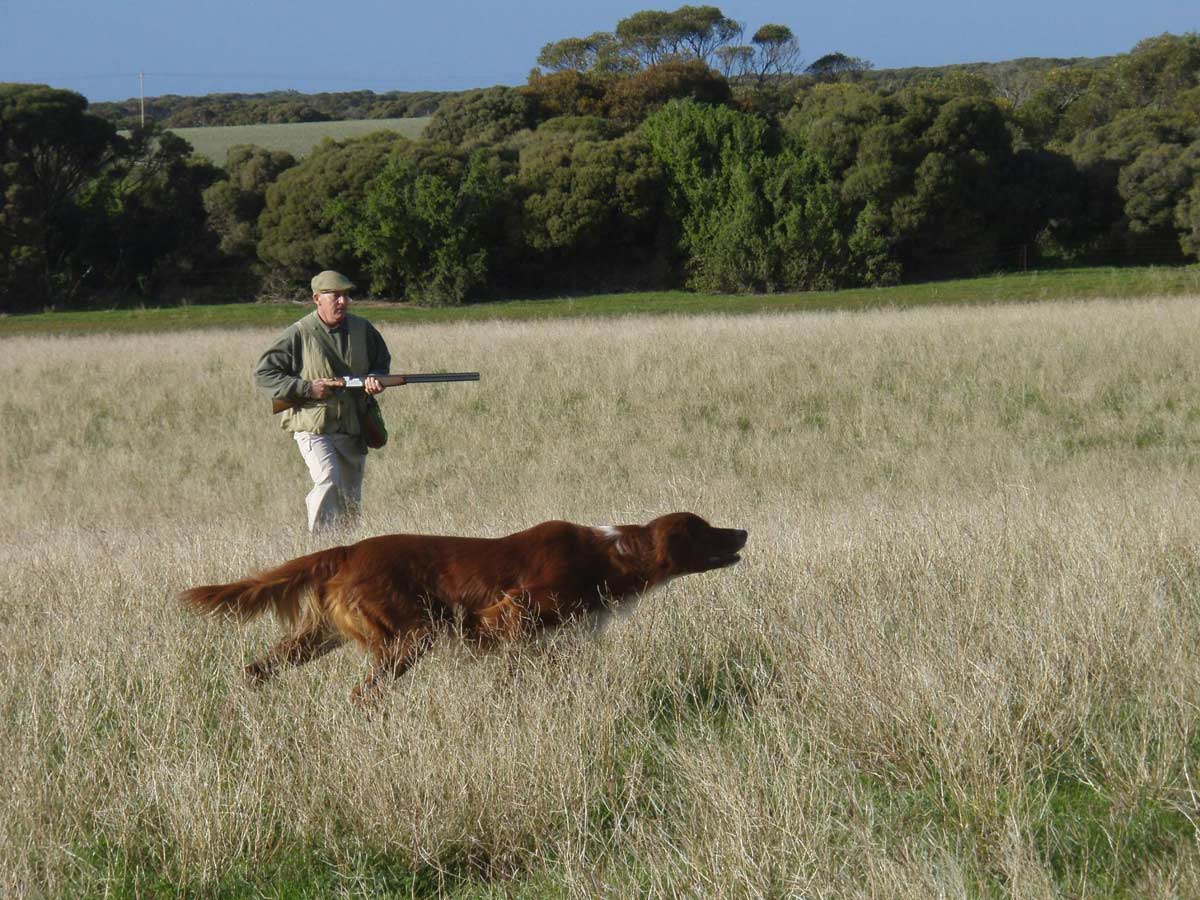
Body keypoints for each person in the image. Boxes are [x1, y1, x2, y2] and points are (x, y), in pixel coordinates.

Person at [254, 270, 396, 534]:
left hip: (352, 427)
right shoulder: (298, 333)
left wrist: (375, 380)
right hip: (313, 426)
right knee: (328, 478)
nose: (342, 302)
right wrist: (307, 388)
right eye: (335, 296)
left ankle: (344, 555)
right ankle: (318, 545)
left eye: (345, 296)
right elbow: (264, 374)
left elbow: (381, 364)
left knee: (350, 499)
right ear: (316, 299)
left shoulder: (363, 329)